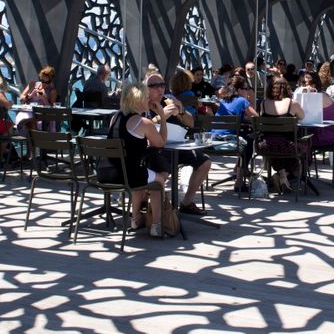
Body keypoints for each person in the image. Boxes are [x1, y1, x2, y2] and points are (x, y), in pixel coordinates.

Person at [101, 83, 171, 238]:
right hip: (126, 175)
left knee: (142, 176)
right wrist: (162, 117)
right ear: (138, 100)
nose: (149, 99)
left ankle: (136, 219)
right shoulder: (143, 123)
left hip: (105, 173)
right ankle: (156, 226)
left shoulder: (115, 117)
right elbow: (161, 142)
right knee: (159, 180)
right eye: (146, 97)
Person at [144, 72, 211, 215]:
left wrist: (180, 112)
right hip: (155, 148)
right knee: (163, 170)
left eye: (162, 85)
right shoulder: (143, 105)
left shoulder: (170, 100)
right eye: (154, 86)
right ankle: (150, 206)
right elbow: (140, 128)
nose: (159, 89)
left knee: (204, 162)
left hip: (177, 145)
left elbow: (191, 123)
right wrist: (161, 116)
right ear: (146, 88)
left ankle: (186, 203)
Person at [256, 77, 306, 193]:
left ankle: (281, 174)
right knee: (304, 144)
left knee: (275, 143)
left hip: (265, 146)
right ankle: (287, 175)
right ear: (287, 88)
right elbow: (302, 116)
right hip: (288, 146)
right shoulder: (292, 103)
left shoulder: (263, 104)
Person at [214, 76, 259, 191]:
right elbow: (256, 118)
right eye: (246, 88)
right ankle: (239, 180)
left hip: (214, 140)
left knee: (245, 139)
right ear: (239, 90)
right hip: (228, 141)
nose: (247, 91)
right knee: (248, 142)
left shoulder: (225, 100)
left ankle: (238, 172)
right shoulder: (242, 100)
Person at [17, 65, 58, 132]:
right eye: (42, 81)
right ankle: (32, 139)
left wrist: (43, 98)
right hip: (27, 111)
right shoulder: (32, 84)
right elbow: (21, 99)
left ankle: (32, 140)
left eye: (47, 82)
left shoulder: (52, 91)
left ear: (51, 81)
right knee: (27, 120)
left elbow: (51, 109)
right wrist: (29, 96)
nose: (44, 84)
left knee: (32, 122)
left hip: (41, 114)